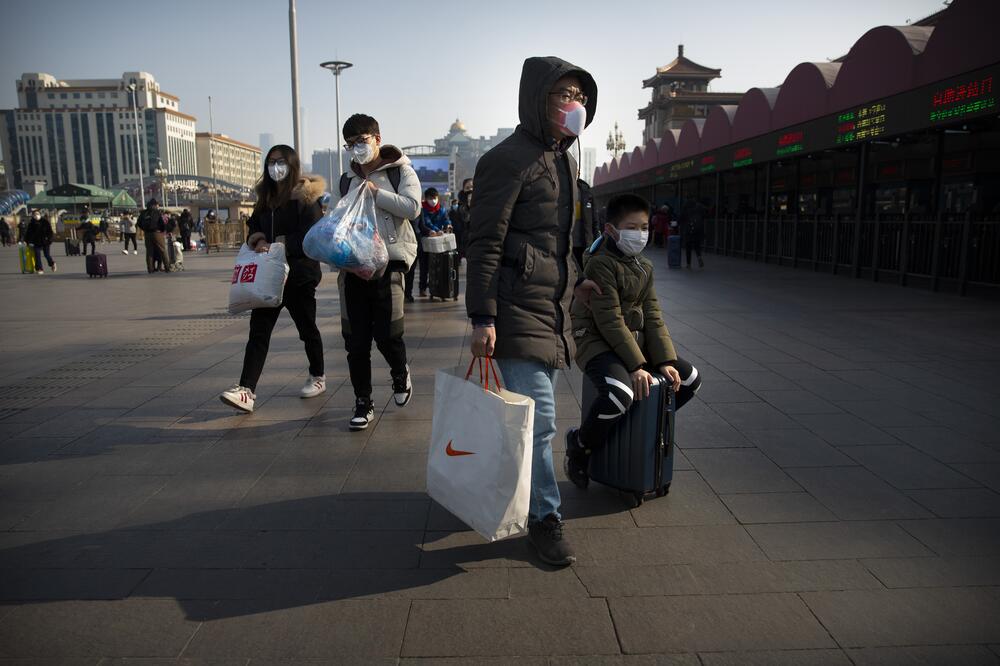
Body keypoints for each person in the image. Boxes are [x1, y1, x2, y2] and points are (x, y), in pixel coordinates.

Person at [465, 56, 599, 567]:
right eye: (566, 94)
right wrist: (483, 317)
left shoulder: (565, 159)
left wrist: (577, 279)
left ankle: (519, 496)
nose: (576, 105)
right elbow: (486, 242)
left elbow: (558, 239)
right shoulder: (505, 159)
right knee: (541, 419)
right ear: (538, 99)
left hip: (552, 306)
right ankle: (545, 518)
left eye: (582, 97)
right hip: (517, 308)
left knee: (530, 422)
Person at [564, 193, 702, 489]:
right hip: (595, 339)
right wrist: (637, 365)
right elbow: (609, 321)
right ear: (611, 230)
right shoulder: (601, 264)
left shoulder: (644, 266)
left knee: (689, 380)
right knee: (618, 393)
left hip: (630, 339)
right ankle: (580, 445)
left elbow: (653, 315)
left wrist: (664, 361)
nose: (640, 234)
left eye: (643, 227)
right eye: (632, 227)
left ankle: (638, 425)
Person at [220, 145, 327, 413]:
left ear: (292, 165)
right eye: (270, 162)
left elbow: (311, 236)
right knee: (259, 332)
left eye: (280, 162)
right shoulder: (265, 198)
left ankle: (318, 376)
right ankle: (246, 390)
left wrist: (277, 244)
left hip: (299, 275)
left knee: (307, 328)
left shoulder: (306, 197)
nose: (275, 166)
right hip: (268, 276)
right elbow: (253, 226)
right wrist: (255, 239)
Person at [335, 113, 420, 431]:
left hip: (390, 262)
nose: (357, 148)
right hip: (355, 265)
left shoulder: (400, 171)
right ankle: (363, 402)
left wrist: (376, 193)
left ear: (377, 139)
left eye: (362, 140)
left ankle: (400, 374)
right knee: (355, 341)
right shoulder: (345, 179)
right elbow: (338, 218)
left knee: (387, 334)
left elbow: (413, 207)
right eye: (351, 143)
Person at [138, 199, 170, 273]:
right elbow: (162, 223)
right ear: (155, 205)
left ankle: (150, 269)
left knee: (149, 252)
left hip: (147, 234)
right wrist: (161, 230)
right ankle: (167, 267)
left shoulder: (143, 213)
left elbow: (138, 223)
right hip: (157, 233)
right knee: (162, 250)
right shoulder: (157, 212)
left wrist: (144, 229)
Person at [572, 178, 595, 268]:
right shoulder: (559, 188)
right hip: (566, 244)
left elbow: (594, 220)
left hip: (585, 243)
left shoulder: (586, 191)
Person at [680, 198, 706, 268]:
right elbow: (704, 215)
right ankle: (699, 257)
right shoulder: (699, 207)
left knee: (688, 247)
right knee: (697, 245)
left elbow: (681, 218)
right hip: (698, 230)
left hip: (688, 230)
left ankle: (688, 264)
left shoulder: (686, 207)